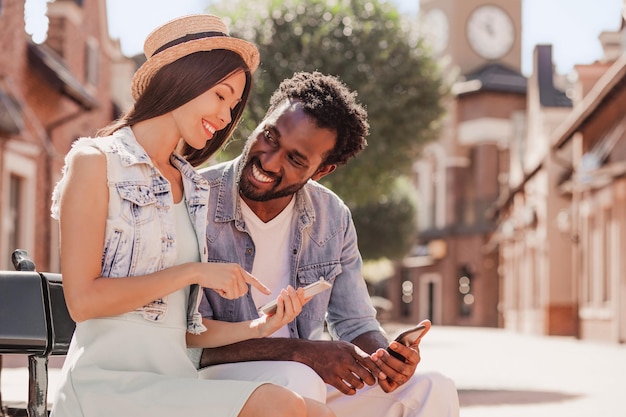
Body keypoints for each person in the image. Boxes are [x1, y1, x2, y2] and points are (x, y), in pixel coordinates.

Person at [49, 15, 335, 417]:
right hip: (107, 384)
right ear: (182, 79)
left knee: (320, 412)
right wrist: (194, 272)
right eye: (220, 96)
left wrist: (259, 327)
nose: (224, 117)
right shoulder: (95, 162)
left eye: (232, 105)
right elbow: (81, 301)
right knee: (280, 404)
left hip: (173, 382)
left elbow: (182, 330)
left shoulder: (193, 186)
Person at [196, 71, 460, 416]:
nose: (269, 160)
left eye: (295, 159)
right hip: (215, 379)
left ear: (322, 170)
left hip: (299, 372)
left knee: (432, 387)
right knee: (300, 379)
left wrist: (385, 358)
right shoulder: (195, 200)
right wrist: (301, 353)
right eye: (270, 136)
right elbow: (189, 343)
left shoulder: (332, 216)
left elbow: (355, 324)